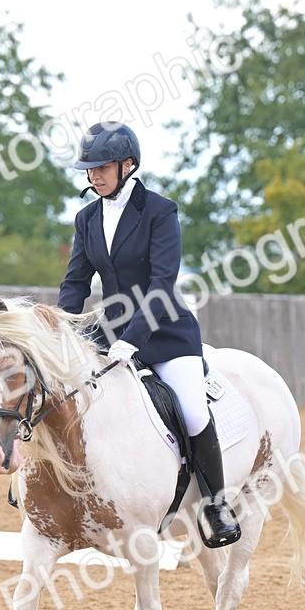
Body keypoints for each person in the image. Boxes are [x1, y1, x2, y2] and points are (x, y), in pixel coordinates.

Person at [57, 121, 240, 547]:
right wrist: (61, 333)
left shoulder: (160, 210)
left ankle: (216, 504)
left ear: (128, 165)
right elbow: (75, 284)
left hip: (164, 332)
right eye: (89, 169)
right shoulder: (86, 218)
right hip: (108, 331)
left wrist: (132, 338)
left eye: (102, 167)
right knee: (65, 395)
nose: (94, 176)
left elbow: (162, 283)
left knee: (193, 411)